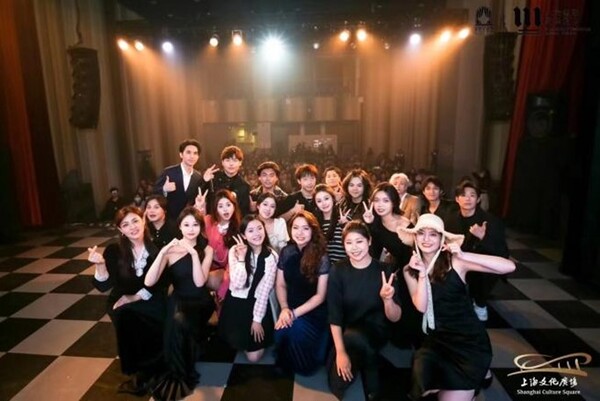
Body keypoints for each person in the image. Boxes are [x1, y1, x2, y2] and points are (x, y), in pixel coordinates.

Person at [399, 214, 515, 401]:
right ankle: (474, 383)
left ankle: (475, 381)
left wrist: (464, 255)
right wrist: (421, 275)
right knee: (422, 386)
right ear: (415, 237)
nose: (426, 239)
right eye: (421, 233)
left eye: (433, 234)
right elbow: (421, 307)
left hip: (468, 342)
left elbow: (509, 267)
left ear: (442, 239)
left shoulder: (455, 261)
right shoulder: (409, 269)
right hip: (438, 342)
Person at [89, 206, 166, 395]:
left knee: (142, 317)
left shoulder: (157, 247)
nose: (132, 227)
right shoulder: (114, 250)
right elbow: (104, 286)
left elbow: (164, 281)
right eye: (125, 224)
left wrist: (136, 296)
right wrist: (100, 265)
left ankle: (153, 370)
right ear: (120, 230)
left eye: (135, 221)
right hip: (121, 297)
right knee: (125, 313)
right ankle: (141, 374)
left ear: (143, 221)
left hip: (150, 296)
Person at [144, 207, 215, 401]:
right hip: (179, 297)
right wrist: (163, 252)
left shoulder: (207, 249)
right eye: (186, 225)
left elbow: (199, 283)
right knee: (177, 321)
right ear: (180, 227)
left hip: (201, 300)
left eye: (195, 225)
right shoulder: (171, 250)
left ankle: (194, 343)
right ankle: (179, 367)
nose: (191, 229)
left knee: (180, 320)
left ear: (201, 227)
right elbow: (149, 281)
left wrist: (193, 254)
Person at [327, 221, 402, 401]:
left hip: (376, 329)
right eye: (349, 243)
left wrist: (388, 299)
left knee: (355, 338)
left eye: (359, 241)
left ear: (369, 241)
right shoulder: (338, 270)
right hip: (348, 331)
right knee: (337, 383)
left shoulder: (385, 270)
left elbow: (395, 318)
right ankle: (369, 359)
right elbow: (334, 314)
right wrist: (341, 353)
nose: (354, 248)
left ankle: (371, 372)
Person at [363, 183, 422, 347]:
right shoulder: (374, 223)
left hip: (409, 271)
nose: (380, 205)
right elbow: (372, 252)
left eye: (385, 201)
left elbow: (415, 253)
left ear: (394, 202)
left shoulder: (405, 224)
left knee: (409, 308)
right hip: (388, 272)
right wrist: (369, 224)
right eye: (376, 200)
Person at [274, 211, 330, 375]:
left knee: (306, 366)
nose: (300, 232)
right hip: (290, 306)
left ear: (313, 231)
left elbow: (320, 296)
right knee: (280, 334)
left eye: (305, 228)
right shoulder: (286, 252)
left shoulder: (321, 257)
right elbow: (280, 284)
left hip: (314, 311)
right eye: (296, 227)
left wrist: (293, 314)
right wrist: (284, 308)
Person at [218, 216, 278, 362]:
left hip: (258, 303)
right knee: (231, 345)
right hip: (237, 303)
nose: (256, 233)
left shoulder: (271, 256)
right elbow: (238, 283)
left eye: (259, 228)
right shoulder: (235, 250)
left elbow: (264, 291)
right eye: (250, 231)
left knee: (254, 357)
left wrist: (257, 320)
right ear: (244, 235)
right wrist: (241, 258)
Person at [454, 180, 509, 322]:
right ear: (457, 199)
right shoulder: (451, 219)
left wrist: (483, 237)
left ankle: (480, 303)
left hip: (481, 263)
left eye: (472, 195)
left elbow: (502, 252)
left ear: (478, 199)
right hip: (457, 259)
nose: (467, 199)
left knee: (480, 274)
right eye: (463, 195)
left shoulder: (491, 221)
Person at [202, 189, 241, 299]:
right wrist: (199, 208)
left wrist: (223, 290)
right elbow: (193, 227)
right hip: (203, 265)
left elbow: (232, 265)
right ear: (215, 208)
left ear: (234, 206)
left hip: (224, 271)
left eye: (228, 205)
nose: (225, 209)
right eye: (220, 206)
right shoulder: (208, 220)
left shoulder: (238, 229)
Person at [154, 139, 203, 220]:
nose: (192, 156)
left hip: (189, 221)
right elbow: (154, 193)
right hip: (170, 219)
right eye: (188, 152)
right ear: (181, 154)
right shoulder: (169, 172)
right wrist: (164, 189)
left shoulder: (198, 177)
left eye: (195, 153)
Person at [201, 145, 252, 216]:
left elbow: (244, 212)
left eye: (235, 160)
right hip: (212, 220)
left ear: (240, 163)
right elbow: (198, 196)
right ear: (222, 162)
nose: (231, 164)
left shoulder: (244, 186)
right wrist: (204, 181)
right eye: (227, 160)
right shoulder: (212, 178)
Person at [314, 184, 345, 264]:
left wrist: (346, 225)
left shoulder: (343, 219)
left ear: (333, 198)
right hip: (324, 267)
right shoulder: (315, 223)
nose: (324, 203)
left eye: (326, 198)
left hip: (344, 265)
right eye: (319, 201)